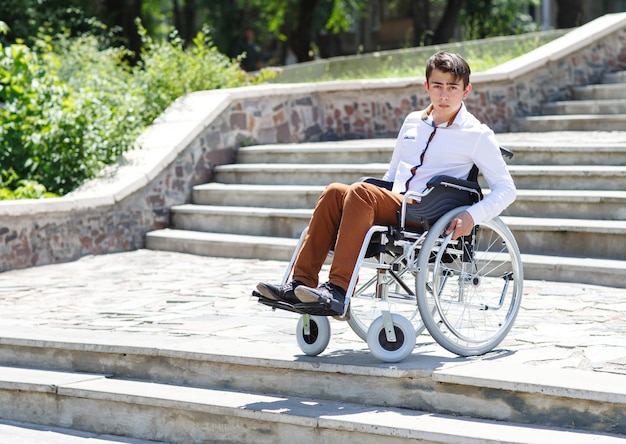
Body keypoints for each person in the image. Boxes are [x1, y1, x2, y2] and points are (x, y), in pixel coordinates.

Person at [256, 51, 517, 314]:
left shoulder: (477, 134)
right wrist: (370, 196)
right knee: (335, 192)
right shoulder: (413, 122)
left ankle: (338, 290)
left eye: (452, 87)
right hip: (397, 202)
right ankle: (300, 284)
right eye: (437, 86)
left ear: (466, 90)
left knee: (360, 193)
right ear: (427, 86)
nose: (444, 95)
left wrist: (473, 216)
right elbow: (392, 177)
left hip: (427, 210)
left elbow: (506, 189)